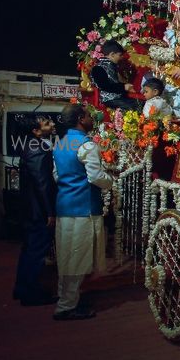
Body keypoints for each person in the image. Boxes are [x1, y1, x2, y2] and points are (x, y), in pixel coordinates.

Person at [52, 104, 112, 321]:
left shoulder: (60, 143)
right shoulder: (87, 145)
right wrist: (111, 181)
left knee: (66, 256)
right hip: (83, 207)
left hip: (64, 206)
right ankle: (66, 306)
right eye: (87, 115)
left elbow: (57, 176)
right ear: (80, 119)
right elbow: (95, 176)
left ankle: (65, 298)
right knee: (77, 258)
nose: (91, 118)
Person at [13, 115, 58, 306]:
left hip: (32, 208)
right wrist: (49, 212)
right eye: (47, 124)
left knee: (30, 250)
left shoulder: (33, 145)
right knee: (35, 251)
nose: (53, 124)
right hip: (37, 210)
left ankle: (23, 288)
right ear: (36, 131)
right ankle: (30, 293)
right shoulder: (36, 149)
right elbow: (42, 183)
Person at [90, 40, 140, 111]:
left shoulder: (113, 66)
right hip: (109, 100)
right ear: (112, 54)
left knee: (140, 103)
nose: (121, 57)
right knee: (135, 107)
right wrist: (123, 87)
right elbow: (104, 86)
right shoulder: (98, 68)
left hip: (118, 98)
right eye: (120, 55)